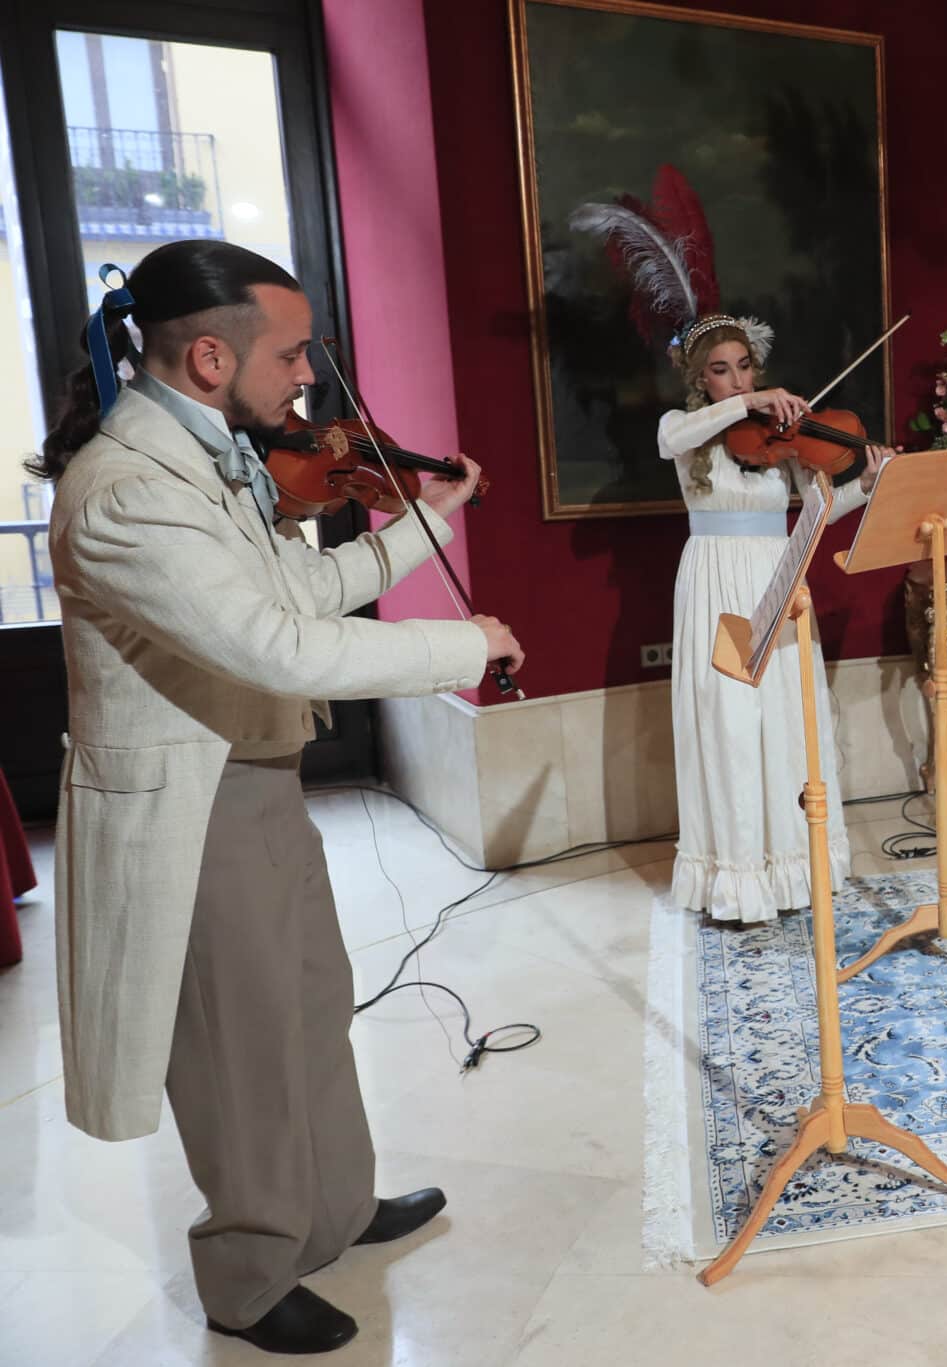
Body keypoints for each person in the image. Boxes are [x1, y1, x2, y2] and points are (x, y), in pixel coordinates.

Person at [37, 240, 523, 1355]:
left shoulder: (204, 456)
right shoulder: (124, 488)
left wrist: (428, 522)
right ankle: (250, 1273)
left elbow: (297, 585)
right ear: (211, 355)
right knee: (236, 1044)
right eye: (292, 350)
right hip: (191, 806)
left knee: (308, 1005)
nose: (308, 375)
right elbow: (272, 645)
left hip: (252, 780)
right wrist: (465, 642)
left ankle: (335, 1208)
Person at [657, 314, 891, 921]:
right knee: (729, 718)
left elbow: (820, 511)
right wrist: (749, 403)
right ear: (699, 378)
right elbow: (671, 443)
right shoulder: (683, 426)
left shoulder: (777, 437)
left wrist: (866, 482)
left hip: (777, 571)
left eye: (744, 367)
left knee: (789, 715)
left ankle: (792, 870)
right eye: (720, 370)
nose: (736, 381)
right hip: (715, 581)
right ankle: (737, 880)